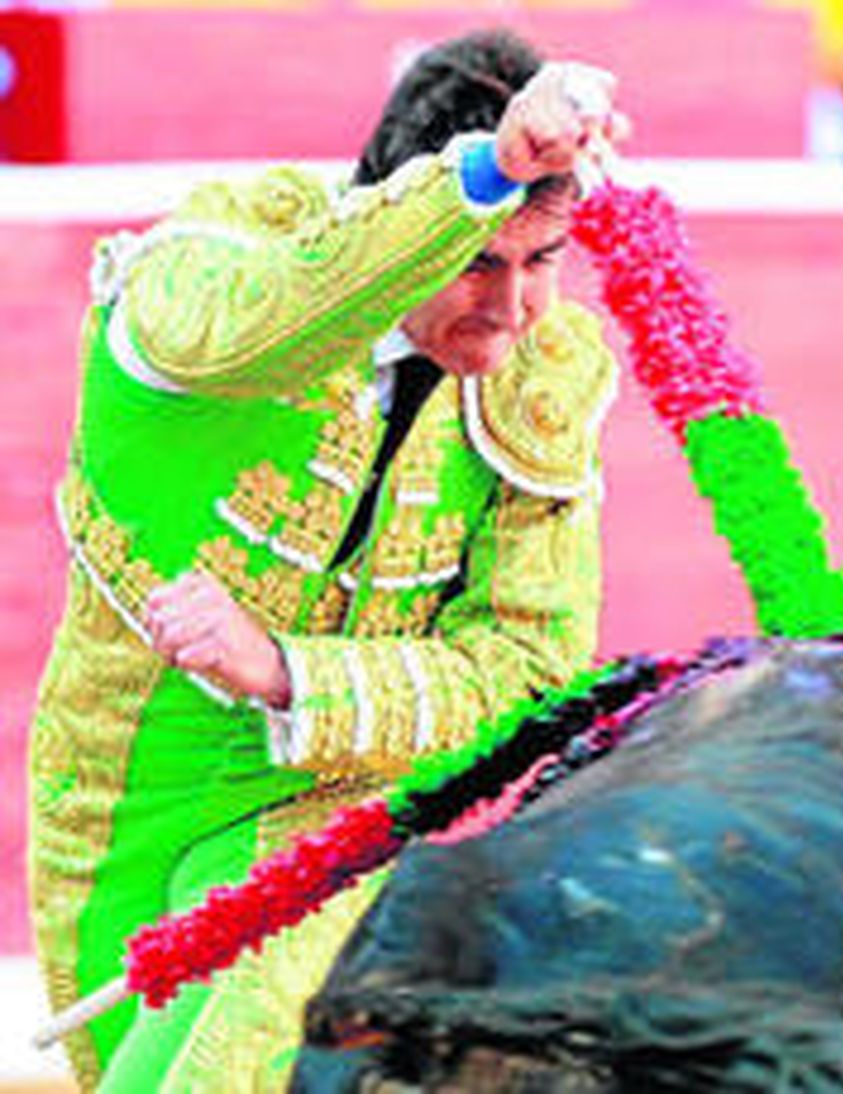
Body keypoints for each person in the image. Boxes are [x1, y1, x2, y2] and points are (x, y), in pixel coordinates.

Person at [27, 29, 627, 1089]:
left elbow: (533, 670)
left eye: (544, 261)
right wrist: (482, 177)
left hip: (331, 794)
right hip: (115, 778)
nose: (515, 307)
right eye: (478, 260)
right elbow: (282, 319)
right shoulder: (211, 261)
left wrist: (289, 672)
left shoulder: (547, 376)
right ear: (395, 213)